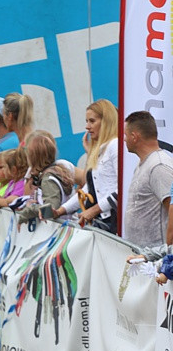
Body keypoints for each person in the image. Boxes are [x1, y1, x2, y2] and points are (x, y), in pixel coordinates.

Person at [55, 99, 119, 231]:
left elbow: (123, 189)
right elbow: (89, 188)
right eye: (86, 121)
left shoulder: (115, 145)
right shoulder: (101, 149)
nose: (87, 127)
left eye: (92, 121)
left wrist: (94, 210)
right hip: (104, 220)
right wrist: (60, 211)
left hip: (115, 221)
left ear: (106, 122)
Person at [122, 111, 173, 247]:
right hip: (142, 258)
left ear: (134, 137)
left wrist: (166, 256)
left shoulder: (159, 166)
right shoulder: (144, 164)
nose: (124, 139)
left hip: (155, 261)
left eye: (125, 135)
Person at [18, 133, 73, 224]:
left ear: (33, 157)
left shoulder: (48, 179)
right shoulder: (57, 171)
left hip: (57, 230)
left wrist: (29, 209)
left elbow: (51, 209)